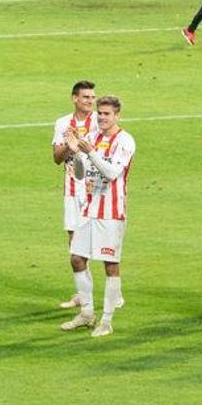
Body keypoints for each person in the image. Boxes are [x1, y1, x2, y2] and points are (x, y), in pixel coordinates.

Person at [60, 96, 136, 338]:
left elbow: (113, 173)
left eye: (107, 114)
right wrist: (76, 154)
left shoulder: (124, 141)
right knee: (77, 259)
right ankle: (87, 313)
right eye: (100, 114)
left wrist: (90, 152)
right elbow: (81, 175)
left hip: (111, 212)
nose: (102, 117)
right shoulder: (91, 137)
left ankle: (107, 320)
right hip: (88, 209)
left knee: (110, 264)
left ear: (117, 116)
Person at [51, 80, 96, 309]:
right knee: (74, 244)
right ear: (75, 98)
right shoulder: (62, 123)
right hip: (71, 190)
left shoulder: (101, 122)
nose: (90, 101)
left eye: (92, 97)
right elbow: (57, 157)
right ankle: (83, 294)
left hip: (95, 190)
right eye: (86, 97)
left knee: (99, 243)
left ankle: (114, 292)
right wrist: (70, 144)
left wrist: (84, 144)